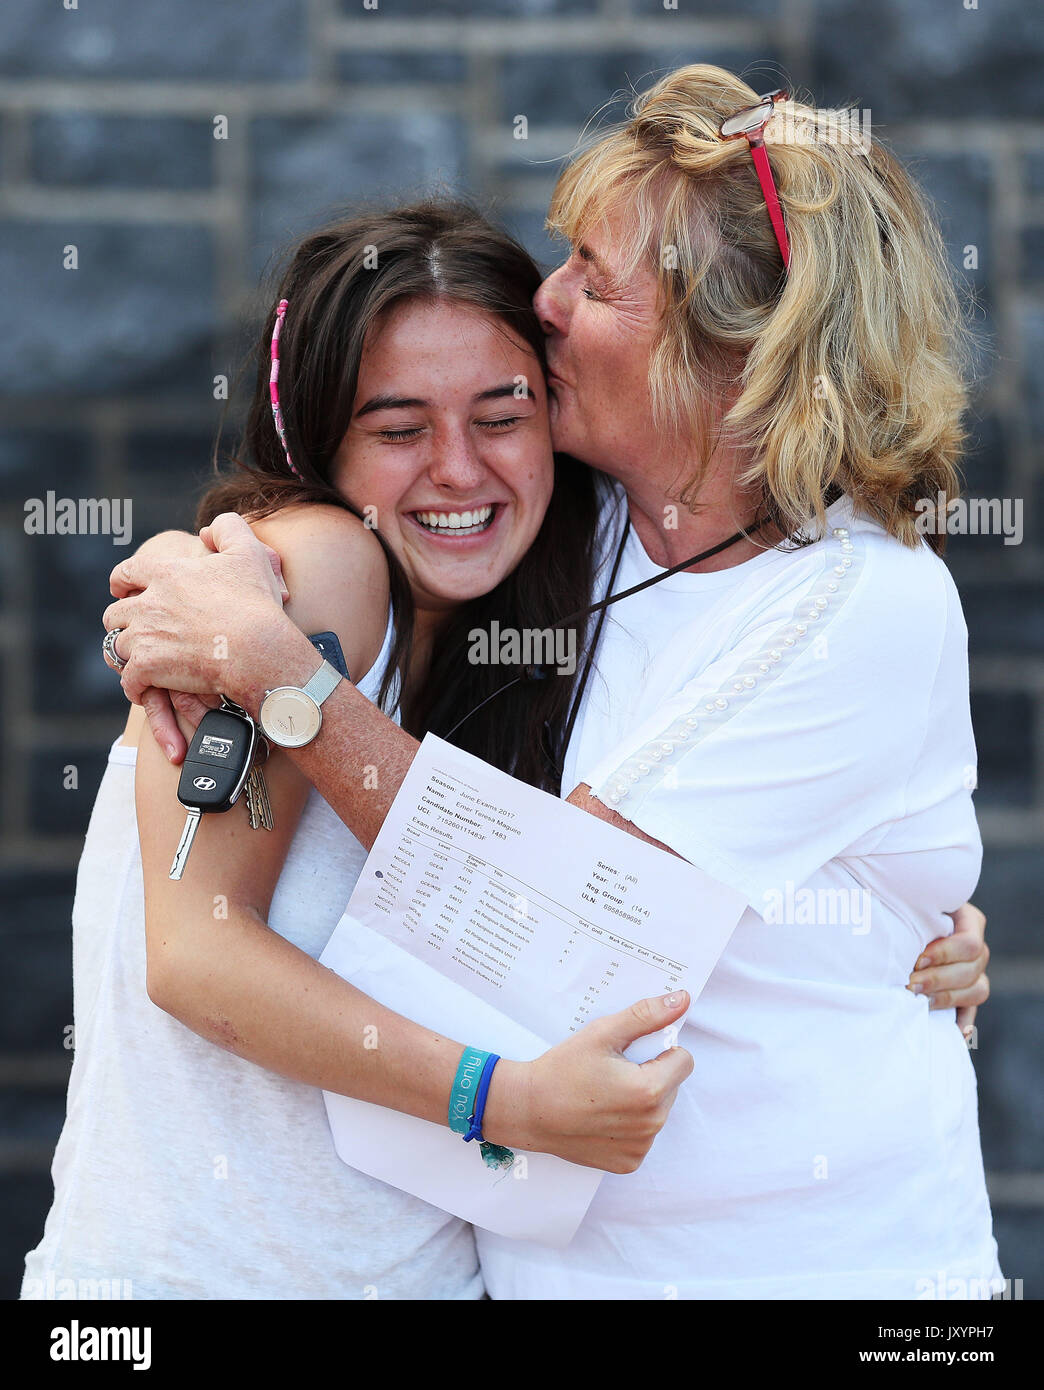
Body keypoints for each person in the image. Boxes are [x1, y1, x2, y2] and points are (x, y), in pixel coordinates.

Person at [102, 66, 997, 1299]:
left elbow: (563, 918)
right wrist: (194, 568)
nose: (548, 297)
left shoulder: (863, 604)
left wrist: (281, 682)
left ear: (732, 349)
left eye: (595, 274)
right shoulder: (575, 531)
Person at [22, 203, 706, 1302]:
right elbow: (194, 953)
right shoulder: (315, 572)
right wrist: (501, 1097)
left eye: (502, 414)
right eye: (398, 429)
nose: (458, 468)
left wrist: (913, 924)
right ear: (319, 444)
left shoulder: (526, 642)